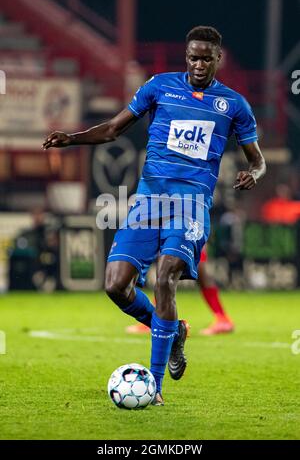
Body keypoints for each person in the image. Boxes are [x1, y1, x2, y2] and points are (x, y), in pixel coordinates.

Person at [42, 26, 266, 406]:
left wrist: (253, 174)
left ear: (218, 59)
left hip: (191, 205)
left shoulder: (234, 105)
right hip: (149, 202)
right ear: (186, 55)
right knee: (115, 284)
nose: (198, 64)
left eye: (206, 58)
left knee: (166, 276)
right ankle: (172, 330)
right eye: (193, 57)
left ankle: (156, 385)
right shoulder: (159, 86)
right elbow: (113, 129)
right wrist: (73, 138)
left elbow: (257, 160)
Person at [126, 246, 234, 336]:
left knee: (199, 271)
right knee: (166, 271)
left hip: (188, 227)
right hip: (174, 227)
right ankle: (155, 319)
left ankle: (222, 319)